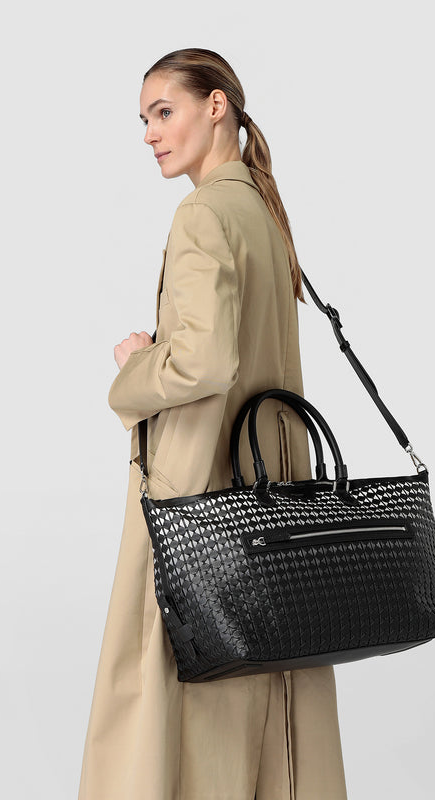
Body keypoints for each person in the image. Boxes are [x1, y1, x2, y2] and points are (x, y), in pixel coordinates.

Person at [77, 48, 348, 800]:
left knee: (177, 680)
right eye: (143, 119)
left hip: (201, 492)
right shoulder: (262, 209)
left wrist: (136, 368)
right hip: (274, 486)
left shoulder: (203, 214)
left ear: (217, 105)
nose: (149, 133)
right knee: (263, 673)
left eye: (164, 112)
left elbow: (202, 363)